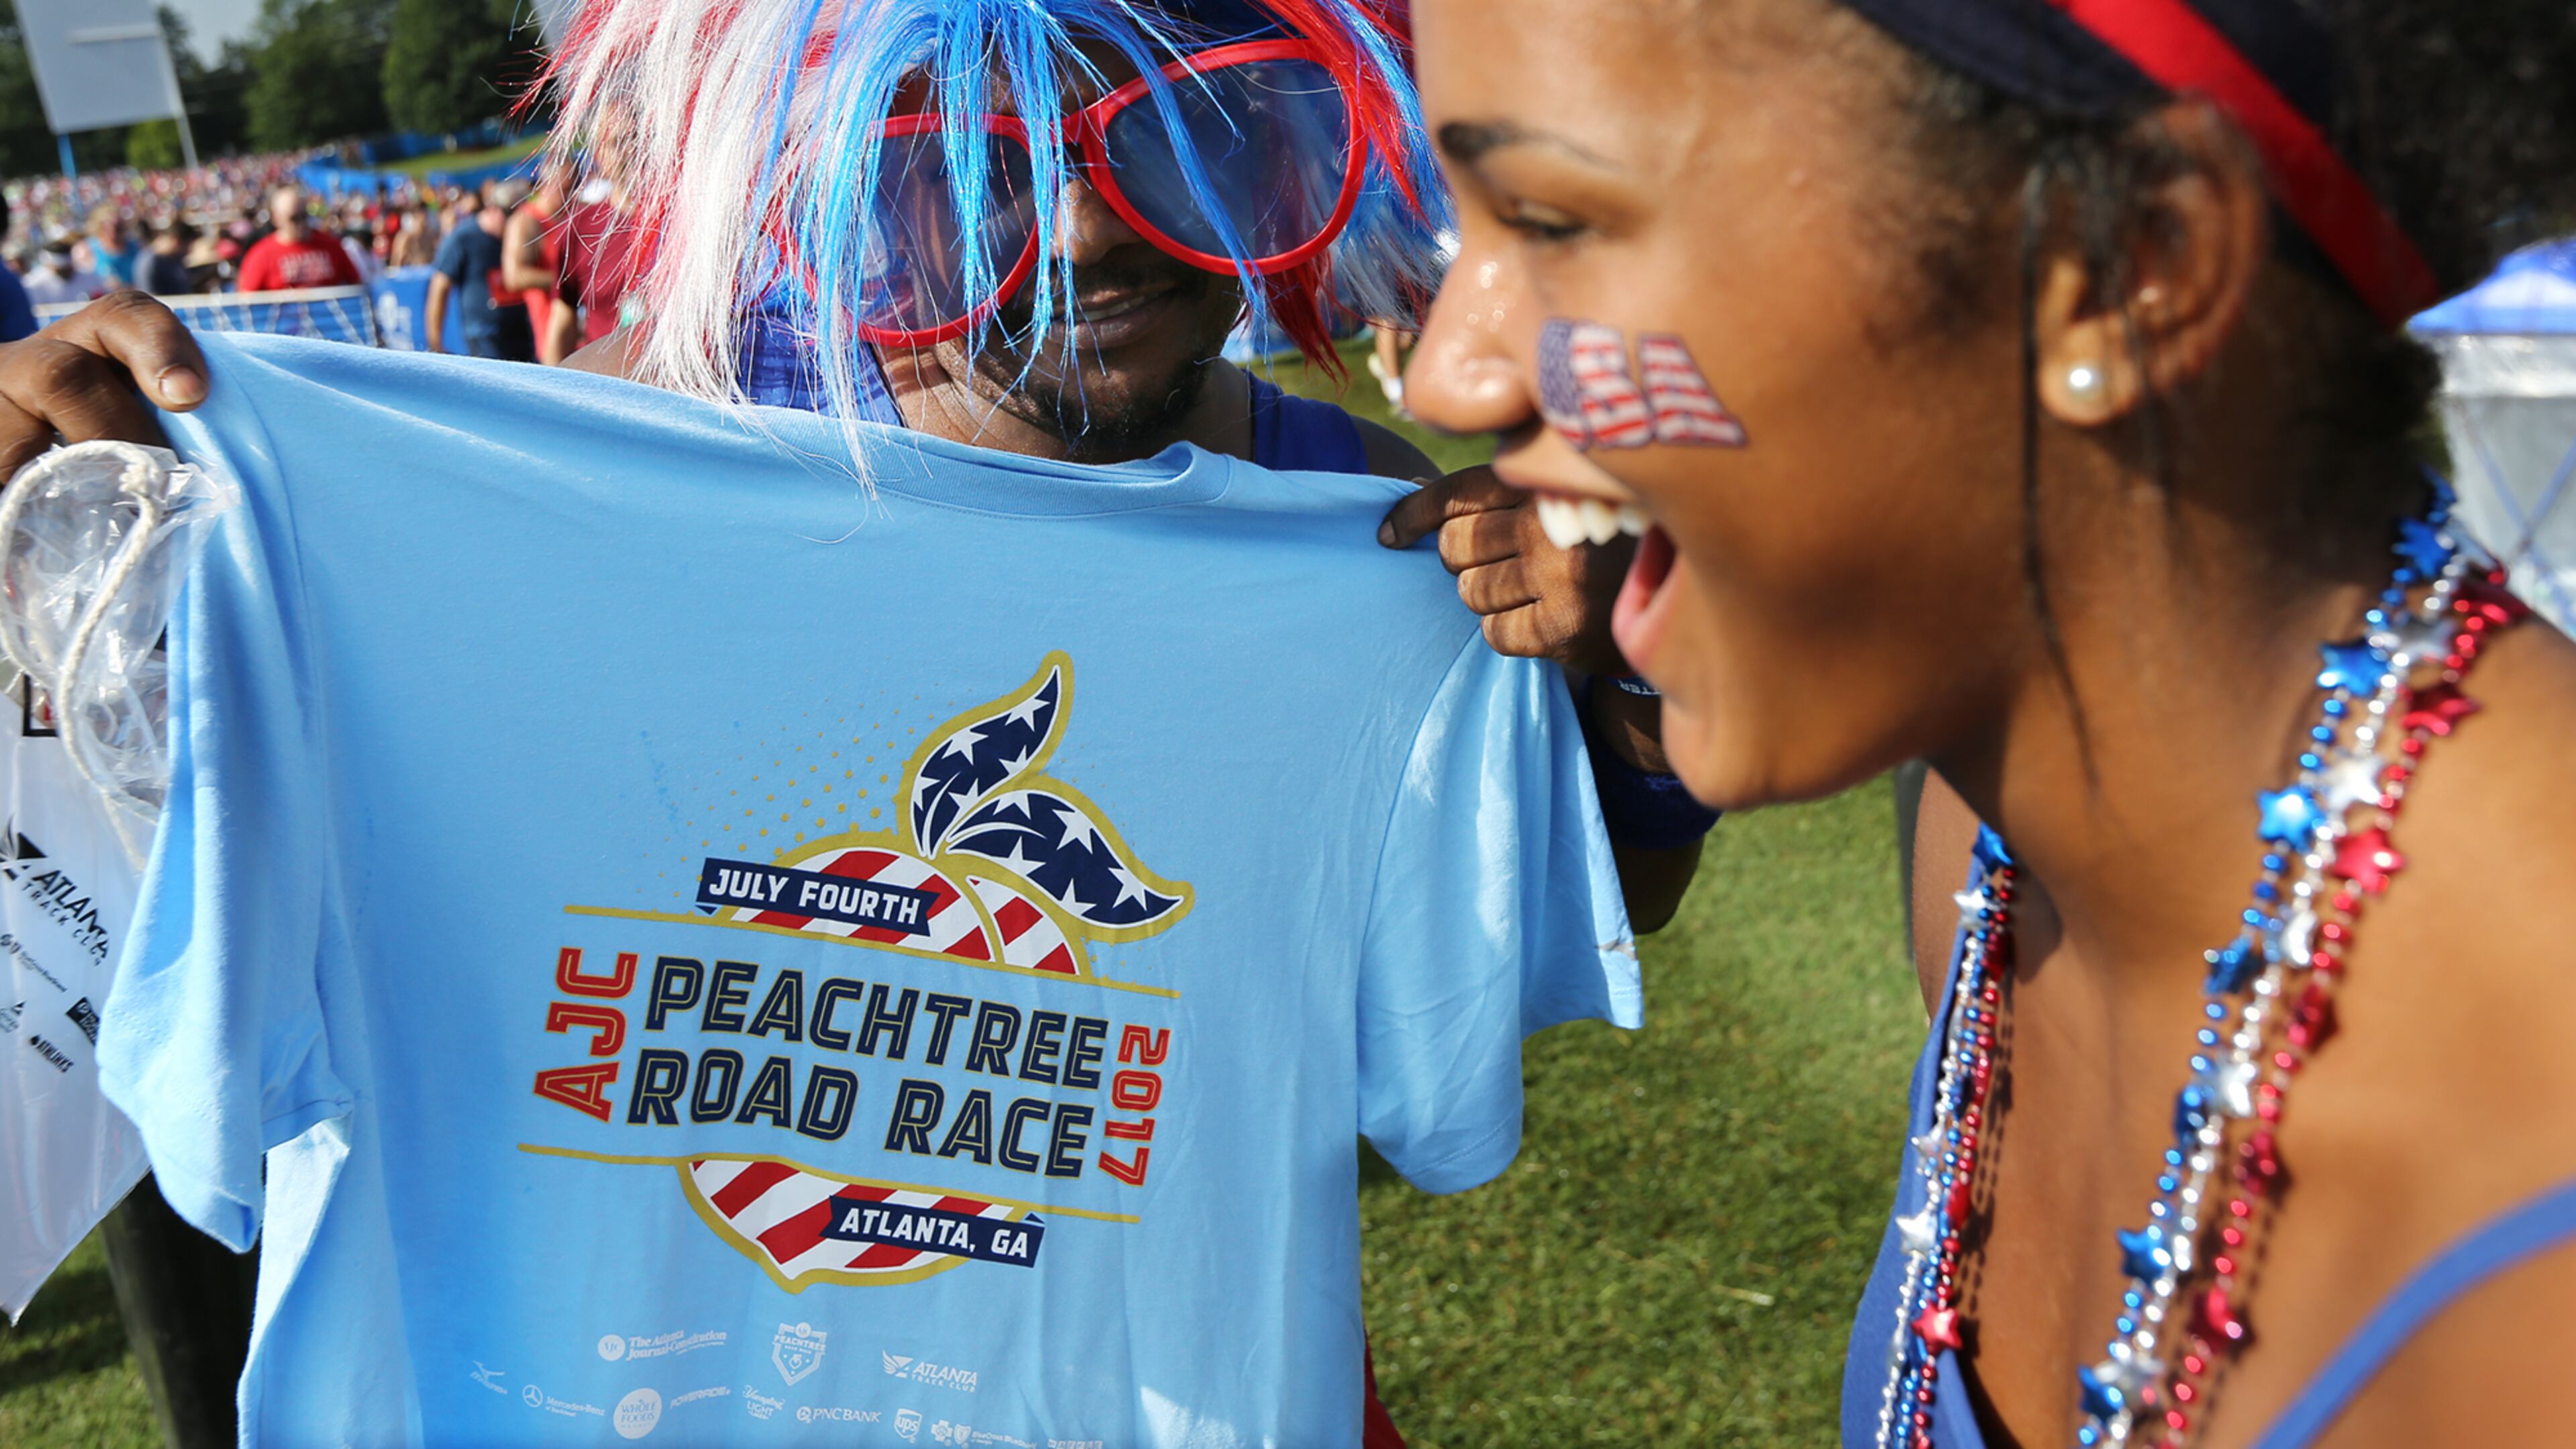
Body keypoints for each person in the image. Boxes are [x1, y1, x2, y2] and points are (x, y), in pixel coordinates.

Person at [1395, 1, 2576, 1446]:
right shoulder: (1994, 850)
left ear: (2125, 269)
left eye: (1556, 219)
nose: (1447, 375)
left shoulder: (2536, 1192)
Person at [425, 182, 534, 362]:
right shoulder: (463, 239)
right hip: (485, 335)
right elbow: (439, 287)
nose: (515, 223)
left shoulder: (518, 239)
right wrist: (436, 343)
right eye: (509, 215)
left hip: (520, 329)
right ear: (492, 210)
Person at [499, 163, 570, 364]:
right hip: (552, 337)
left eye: (575, 187)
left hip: (582, 333)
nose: (572, 195)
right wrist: (569, 282)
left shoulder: (571, 216)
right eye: (566, 188)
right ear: (546, 184)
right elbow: (513, 276)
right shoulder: (526, 221)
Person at [235, 186, 362, 294]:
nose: (301, 223)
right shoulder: (261, 254)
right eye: (294, 218)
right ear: (276, 219)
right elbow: (247, 300)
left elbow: (357, 286)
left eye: (304, 216)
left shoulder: (332, 245)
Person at [20, 237, 104, 308]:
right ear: (49, 265)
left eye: (68, 267)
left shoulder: (89, 276)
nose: (66, 271)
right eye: (60, 268)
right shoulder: (32, 284)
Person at [140, 219, 197, 297]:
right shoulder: (151, 263)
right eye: (188, 246)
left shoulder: (173, 259)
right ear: (177, 241)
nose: (188, 251)